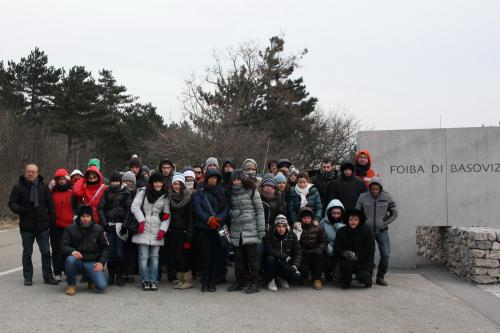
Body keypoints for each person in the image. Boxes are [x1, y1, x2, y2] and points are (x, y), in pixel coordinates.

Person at [8, 164, 58, 286]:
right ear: (25, 172)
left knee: (46, 252)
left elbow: (50, 205)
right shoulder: (18, 187)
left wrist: (52, 220)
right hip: (26, 226)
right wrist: (20, 210)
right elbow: (12, 203)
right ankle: (28, 277)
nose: (31, 174)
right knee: (27, 252)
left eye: (33, 172)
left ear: (37, 173)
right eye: (29, 171)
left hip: (42, 226)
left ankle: (48, 276)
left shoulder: (43, 186)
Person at [227, 169, 265, 294]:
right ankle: (240, 282)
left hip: (251, 229)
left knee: (253, 259)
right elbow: (228, 210)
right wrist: (233, 213)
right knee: (238, 259)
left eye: (238, 179)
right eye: (234, 179)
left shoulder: (252, 191)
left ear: (243, 179)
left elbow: (260, 210)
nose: (236, 182)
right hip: (236, 229)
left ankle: (255, 283)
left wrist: (261, 229)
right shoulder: (231, 193)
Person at [131, 172, 171, 291]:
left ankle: (153, 280)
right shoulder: (143, 192)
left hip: (156, 226)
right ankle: (145, 280)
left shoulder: (165, 195)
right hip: (143, 225)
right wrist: (141, 221)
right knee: (143, 257)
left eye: (160, 182)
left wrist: (163, 230)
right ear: (151, 183)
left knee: (154, 257)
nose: (158, 184)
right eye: (156, 182)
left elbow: (167, 214)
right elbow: (134, 206)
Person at [356, 177, 398, 286]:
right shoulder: (363, 197)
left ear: (380, 188)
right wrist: (363, 224)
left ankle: (380, 276)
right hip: (367, 231)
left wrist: (384, 223)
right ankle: (367, 275)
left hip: (382, 230)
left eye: (377, 189)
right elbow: (357, 213)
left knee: (385, 254)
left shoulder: (387, 197)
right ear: (369, 187)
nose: (375, 191)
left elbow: (394, 213)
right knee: (368, 254)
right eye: (373, 188)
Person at [60, 205, 110, 295]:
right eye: (83, 216)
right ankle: (71, 285)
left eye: (88, 216)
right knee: (70, 260)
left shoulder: (98, 229)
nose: (86, 219)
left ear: (91, 217)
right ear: (79, 217)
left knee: (102, 286)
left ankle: (91, 280)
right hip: (78, 261)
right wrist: (72, 251)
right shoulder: (70, 228)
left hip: (92, 262)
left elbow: (105, 248)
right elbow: (63, 246)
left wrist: (101, 262)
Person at [193, 169, 229, 292]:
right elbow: (197, 207)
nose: (213, 180)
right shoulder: (200, 191)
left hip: (217, 228)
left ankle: (212, 282)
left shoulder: (222, 191)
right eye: (211, 177)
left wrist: (219, 219)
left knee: (216, 255)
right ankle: (205, 280)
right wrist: (207, 219)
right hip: (203, 228)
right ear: (207, 178)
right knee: (205, 255)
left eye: (215, 178)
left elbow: (226, 208)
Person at [98, 171, 130, 287]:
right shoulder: (106, 192)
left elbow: (129, 210)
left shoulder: (126, 192)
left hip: (121, 226)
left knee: (120, 253)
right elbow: (101, 208)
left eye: (117, 181)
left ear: (120, 182)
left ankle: (120, 276)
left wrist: (125, 225)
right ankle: (111, 275)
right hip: (109, 226)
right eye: (113, 182)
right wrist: (104, 223)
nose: (115, 183)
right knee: (110, 253)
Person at [334, 209, 375, 289]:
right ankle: (346, 281)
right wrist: (344, 253)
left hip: (363, 261)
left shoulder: (366, 231)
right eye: (351, 219)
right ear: (347, 220)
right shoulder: (341, 231)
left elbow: (370, 249)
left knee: (364, 278)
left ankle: (368, 277)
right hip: (347, 259)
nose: (353, 222)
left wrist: (357, 256)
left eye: (356, 220)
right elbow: (336, 248)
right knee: (346, 265)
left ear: (360, 221)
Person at [168, 173, 194, 289]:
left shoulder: (188, 197)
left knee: (181, 255)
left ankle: (188, 280)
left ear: (182, 185)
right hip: (172, 230)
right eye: (175, 183)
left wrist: (189, 234)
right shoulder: (170, 197)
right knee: (173, 256)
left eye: (179, 184)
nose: (177, 186)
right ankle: (180, 279)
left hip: (183, 231)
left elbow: (190, 218)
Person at [50, 168, 78, 281]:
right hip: (55, 225)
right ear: (56, 180)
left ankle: (68, 270)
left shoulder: (73, 192)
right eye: (59, 179)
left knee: (68, 249)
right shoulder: (52, 192)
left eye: (63, 179)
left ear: (67, 180)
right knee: (56, 249)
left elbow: (77, 207)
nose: (61, 181)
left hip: (69, 226)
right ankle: (57, 271)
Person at [263, 214, 302, 292]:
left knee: (296, 276)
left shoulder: (292, 235)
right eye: (279, 226)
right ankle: (270, 280)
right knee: (270, 259)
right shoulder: (270, 235)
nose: (281, 229)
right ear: (275, 227)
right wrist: (284, 256)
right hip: (274, 262)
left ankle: (281, 277)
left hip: (285, 263)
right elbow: (268, 249)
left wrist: (295, 265)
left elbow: (298, 252)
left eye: (283, 226)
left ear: (286, 226)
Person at [296, 207, 327, 290]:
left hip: (315, 251)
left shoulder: (318, 228)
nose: (306, 220)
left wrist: (320, 248)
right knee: (301, 261)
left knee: (319, 257)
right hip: (303, 251)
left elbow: (324, 241)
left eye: (308, 218)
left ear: (311, 218)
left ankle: (317, 279)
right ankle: (304, 277)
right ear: (301, 219)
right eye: (304, 218)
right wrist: (299, 250)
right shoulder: (298, 228)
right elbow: (295, 242)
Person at [319, 199, 345, 282]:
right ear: (330, 212)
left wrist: (341, 228)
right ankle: (326, 274)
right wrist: (327, 247)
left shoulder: (345, 222)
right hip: (328, 248)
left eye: (338, 213)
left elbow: (348, 239)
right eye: (334, 213)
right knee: (326, 261)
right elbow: (320, 237)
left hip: (341, 249)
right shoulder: (323, 222)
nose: (336, 215)